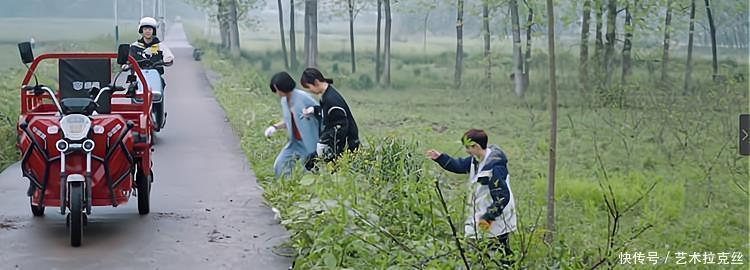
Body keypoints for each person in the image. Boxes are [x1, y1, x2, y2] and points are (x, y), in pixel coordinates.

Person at [426, 129, 517, 260]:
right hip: (482, 214)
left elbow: (502, 196)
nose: (467, 151)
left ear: (477, 146)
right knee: (487, 252)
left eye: (468, 147)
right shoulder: (476, 160)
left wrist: (488, 217)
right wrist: (440, 158)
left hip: (496, 218)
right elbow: (459, 166)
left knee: (498, 253)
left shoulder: (494, 166)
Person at [298, 68, 360, 169]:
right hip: (339, 144)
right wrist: (313, 110)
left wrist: (324, 141)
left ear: (316, 82)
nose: (309, 91)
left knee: (314, 165)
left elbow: (341, 126)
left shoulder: (331, 99)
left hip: (346, 145)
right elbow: (327, 114)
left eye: (309, 87)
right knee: (311, 163)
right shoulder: (327, 95)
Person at [264, 72, 321, 177]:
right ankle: (285, 186)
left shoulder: (303, 97)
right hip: (295, 143)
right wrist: (275, 127)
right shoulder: (284, 101)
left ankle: (307, 191)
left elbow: (320, 112)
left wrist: (311, 112)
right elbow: (290, 121)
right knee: (280, 164)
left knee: (309, 171)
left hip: (309, 142)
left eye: (277, 89)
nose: (277, 92)